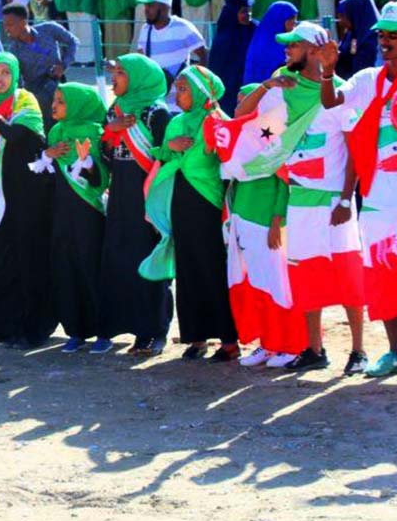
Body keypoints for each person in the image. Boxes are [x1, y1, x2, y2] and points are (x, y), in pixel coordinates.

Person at [318, 1, 397, 379]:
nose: (385, 41)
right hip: (377, 192)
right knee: (382, 271)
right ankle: (394, 350)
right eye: (381, 34)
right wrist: (327, 71)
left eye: (393, 35)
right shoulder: (367, 79)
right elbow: (331, 101)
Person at [275, 22, 365, 372]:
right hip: (300, 200)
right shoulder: (285, 90)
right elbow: (263, 130)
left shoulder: (340, 93)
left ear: (314, 50)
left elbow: (355, 151)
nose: (287, 51)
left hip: (333, 204)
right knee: (305, 274)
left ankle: (358, 350)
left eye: (294, 45)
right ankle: (315, 349)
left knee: (347, 274)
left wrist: (345, 199)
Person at [140, 66, 239, 360]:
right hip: (181, 202)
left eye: (184, 89)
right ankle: (196, 338)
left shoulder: (218, 121)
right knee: (188, 268)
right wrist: (170, 146)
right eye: (178, 88)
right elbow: (166, 157)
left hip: (207, 203)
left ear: (199, 91)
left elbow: (225, 160)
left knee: (212, 269)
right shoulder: (176, 122)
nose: (177, 94)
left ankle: (229, 341)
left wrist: (186, 154)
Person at [214, 81, 308, 367]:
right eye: (240, 100)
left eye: (250, 100)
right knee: (255, 286)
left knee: (278, 287)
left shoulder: (274, 138)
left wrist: (277, 221)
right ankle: (267, 343)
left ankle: (292, 344)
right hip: (243, 220)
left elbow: (284, 184)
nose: (243, 105)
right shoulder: (242, 142)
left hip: (267, 223)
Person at [0, 52, 53, 347]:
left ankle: (32, 330)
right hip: (0, 200)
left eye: (5, 72)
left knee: (27, 264)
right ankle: (0, 326)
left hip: (27, 197)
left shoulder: (25, 101)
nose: (0, 78)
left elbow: (20, 137)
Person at [97, 55, 174, 354]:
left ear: (139, 77)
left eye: (121, 73)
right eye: (114, 72)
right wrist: (111, 131)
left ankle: (154, 331)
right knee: (119, 258)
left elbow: (163, 158)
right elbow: (107, 161)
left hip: (148, 200)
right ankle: (118, 326)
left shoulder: (157, 114)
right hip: (120, 199)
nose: (115, 78)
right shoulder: (114, 111)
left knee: (148, 260)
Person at [34, 81, 109, 353]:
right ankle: (76, 330)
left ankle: (103, 331)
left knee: (91, 269)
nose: (54, 105)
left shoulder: (93, 133)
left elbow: (101, 178)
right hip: (61, 213)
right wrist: (47, 154)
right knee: (66, 269)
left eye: (61, 101)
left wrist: (87, 162)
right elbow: (43, 176)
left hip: (88, 214)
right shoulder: (56, 131)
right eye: (54, 99)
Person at [0, 2, 77, 125]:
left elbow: (72, 42)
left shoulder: (49, 29)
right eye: (5, 25)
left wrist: (63, 65)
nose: (6, 29)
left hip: (59, 86)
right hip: (37, 96)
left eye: (10, 24)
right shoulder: (13, 51)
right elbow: (17, 81)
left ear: (23, 22)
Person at [133, 0, 206, 100]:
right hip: (155, 99)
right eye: (146, 6)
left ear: (164, 7)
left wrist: (193, 81)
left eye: (150, 5)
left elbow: (203, 55)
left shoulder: (182, 27)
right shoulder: (145, 29)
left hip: (180, 102)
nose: (146, 10)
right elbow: (141, 61)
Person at [207, 0, 256, 116]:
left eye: (250, 11)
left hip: (248, 87)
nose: (248, 15)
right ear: (233, 13)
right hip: (227, 91)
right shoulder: (224, 38)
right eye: (244, 11)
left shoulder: (254, 29)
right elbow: (216, 68)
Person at [243, 0, 298, 85]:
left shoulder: (261, 37)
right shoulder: (273, 43)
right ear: (281, 20)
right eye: (292, 19)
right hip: (265, 89)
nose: (295, 24)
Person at [335, 0, 380, 79]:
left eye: (343, 16)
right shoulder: (353, 35)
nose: (340, 21)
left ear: (355, 14)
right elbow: (349, 55)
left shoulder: (373, 39)